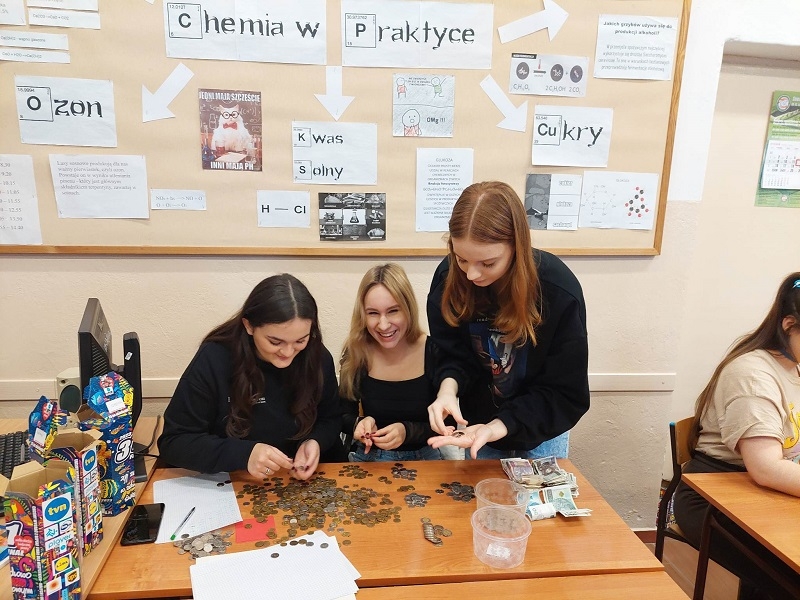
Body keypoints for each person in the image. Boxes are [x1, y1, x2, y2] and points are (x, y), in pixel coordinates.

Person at [425, 181, 590, 459]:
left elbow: (564, 392)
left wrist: (499, 426)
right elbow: (451, 355)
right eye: (461, 259)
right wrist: (447, 390)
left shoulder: (557, 291)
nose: (471, 275)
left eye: (488, 263)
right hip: (479, 429)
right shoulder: (448, 281)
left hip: (540, 428)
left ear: (517, 247)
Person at [673, 272, 800, 599]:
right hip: (716, 497)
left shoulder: (793, 366)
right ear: (789, 325)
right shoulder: (752, 374)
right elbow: (766, 468)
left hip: (762, 490)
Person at [158, 274, 341, 481]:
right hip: (233, 482)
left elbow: (331, 418)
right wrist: (244, 454)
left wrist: (315, 441)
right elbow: (175, 442)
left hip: (299, 482)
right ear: (249, 326)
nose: (288, 352)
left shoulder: (317, 356)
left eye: (300, 341)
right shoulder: (215, 358)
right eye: (275, 342)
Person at [339, 263, 446, 461]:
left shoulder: (433, 351)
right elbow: (340, 415)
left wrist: (407, 431)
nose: (383, 325)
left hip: (426, 455)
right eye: (373, 313)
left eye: (393, 311)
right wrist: (359, 424)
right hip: (369, 455)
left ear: (408, 309)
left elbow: (448, 426)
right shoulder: (356, 352)